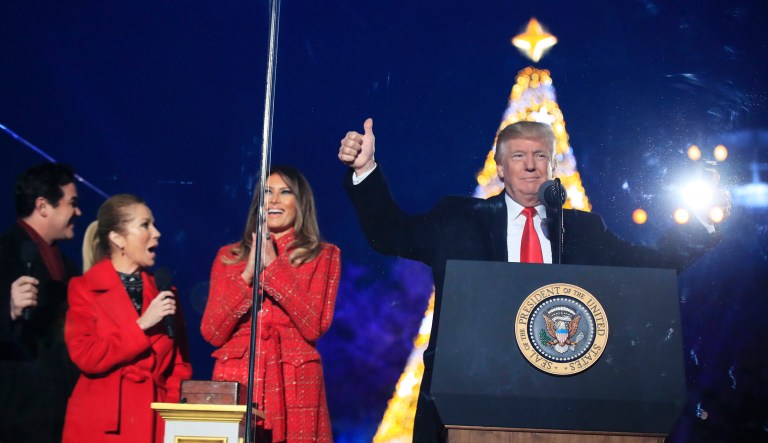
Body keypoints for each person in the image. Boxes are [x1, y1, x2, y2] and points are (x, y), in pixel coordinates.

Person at [338, 118, 721, 442]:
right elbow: (390, 233)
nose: (530, 165)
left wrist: (703, 224)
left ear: (553, 166)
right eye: (518, 156)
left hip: (565, 406)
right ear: (500, 167)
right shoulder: (457, 218)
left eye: (540, 156)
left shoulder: (584, 230)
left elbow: (650, 266)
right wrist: (365, 169)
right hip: (467, 400)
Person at [201, 165, 341, 442]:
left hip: (295, 385)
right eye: (267, 192)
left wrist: (274, 267)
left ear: (300, 203)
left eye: (285, 192)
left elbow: (313, 325)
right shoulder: (228, 257)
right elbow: (212, 332)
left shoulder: (322, 255)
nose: (274, 200)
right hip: (238, 379)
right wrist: (248, 274)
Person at [63, 194, 192, 443]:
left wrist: (171, 413)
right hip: (101, 423)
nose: (156, 233)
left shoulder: (164, 292)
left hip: (155, 420)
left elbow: (180, 364)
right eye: (145, 225)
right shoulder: (84, 288)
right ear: (117, 238)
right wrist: (142, 325)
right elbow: (86, 355)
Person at [0, 163, 81, 443]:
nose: (78, 212)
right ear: (43, 205)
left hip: (58, 412)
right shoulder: (4, 253)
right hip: (15, 415)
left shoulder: (69, 267)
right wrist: (8, 310)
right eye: (72, 203)